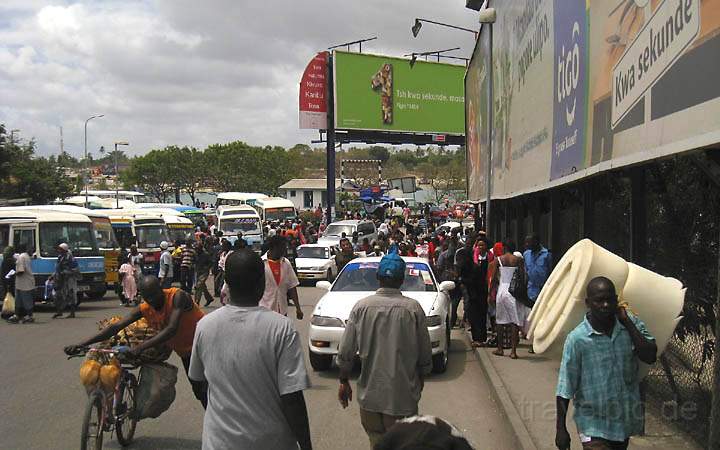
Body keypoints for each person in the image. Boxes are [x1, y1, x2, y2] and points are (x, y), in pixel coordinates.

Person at [189, 250, 312, 449]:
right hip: (271, 442)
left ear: (226, 282)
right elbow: (292, 398)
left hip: (219, 442)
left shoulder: (205, 325)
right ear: (262, 282)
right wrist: (306, 446)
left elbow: (198, 381)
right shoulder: (281, 327)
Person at [65, 275, 208, 408]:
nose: (152, 301)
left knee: (212, 389)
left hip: (205, 347)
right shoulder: (146, 307)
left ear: (161, 289)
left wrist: (140, 348)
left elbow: (171, 328)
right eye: (148, 298)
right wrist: (82, 343)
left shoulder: (177, 296)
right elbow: (116, 327)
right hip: (186, 353)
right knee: (200, 391)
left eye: (155, 296)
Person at [337, 249, 432, 448]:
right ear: (402, 279)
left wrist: (344, 381)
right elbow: (425, 355)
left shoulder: (361, 307)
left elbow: (345, 351)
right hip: (402, 399)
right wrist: (421, 376)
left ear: (378, 277)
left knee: (377, 443)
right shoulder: (413, 309)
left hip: (370, 399)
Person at [555, 277, 657, 450]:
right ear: (588, 303)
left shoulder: (629, 326)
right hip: (592, 423)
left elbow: (650, 355)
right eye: (599, 300)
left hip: (622, 423)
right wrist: (560, 428)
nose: (605, 305)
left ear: (616, 300)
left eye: (610, 300)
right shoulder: (577, 339)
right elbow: (565, 386)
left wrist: (627, 322)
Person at [490, 241, 527, 359]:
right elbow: (523, 276)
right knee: (514, 321)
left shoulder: (499, 260)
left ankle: (500, 348)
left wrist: (490, 293)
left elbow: (494, 278)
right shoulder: (518, 260)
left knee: (500, 320)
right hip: (514, 291)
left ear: (504, 248)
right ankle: (513, 351)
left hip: (502, 290)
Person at [260, 235, 303, 319]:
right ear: (274, 247)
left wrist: (298, 308)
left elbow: (292, 286)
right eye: (283, 247)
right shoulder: (260, 264)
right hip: (265, 312)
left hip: (282, 312)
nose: (285, 250)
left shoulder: (286, 263)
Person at [455, 243, 489, 347]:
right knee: (473, 317)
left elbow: (475, 282)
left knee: (478, 317)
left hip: (479, 295)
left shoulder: (474, 268)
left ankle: (480, 338)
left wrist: (462, 280)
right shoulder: (465, 268)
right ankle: (477, 338)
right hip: (472, 296)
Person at [52, 242, 80, 319]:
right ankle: (59, 312)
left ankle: (72, 313)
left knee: (71, 295)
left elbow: (76, 269)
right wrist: (53, 276)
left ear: (64, 250)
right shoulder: (60, 257)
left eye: (60, 249)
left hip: (69, 279)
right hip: (61, 279)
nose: (58, 250)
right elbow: (57, 268)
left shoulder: (70, 258)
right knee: (58, 295)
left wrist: (66, 272)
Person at [523, 233, 552, 306]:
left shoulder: (547, 254)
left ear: (535, 242)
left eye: (528, 242)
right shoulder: (526, 254)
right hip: (530, 292)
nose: (526, 244)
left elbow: (551, 271)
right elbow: (525, 271)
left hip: (543, 292)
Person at [9, 243, 34, 323]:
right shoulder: (26, 256)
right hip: (23, 282)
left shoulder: (21, 257)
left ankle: (29, 316)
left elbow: (21, 271)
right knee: (19, 300)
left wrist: (13, 274)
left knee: (25, 300)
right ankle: (17, 315)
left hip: (24, 283)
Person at [194, 241, 214, 307]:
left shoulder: (206, 254)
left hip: (204, 272)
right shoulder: (196, 254)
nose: (196, 250)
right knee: (202, 286)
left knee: (199, 286)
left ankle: (196, 302)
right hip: (198, 271)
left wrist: (207, 267)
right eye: (196, 248)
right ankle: (209, 298)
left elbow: (211, 262)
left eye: (198, 248)